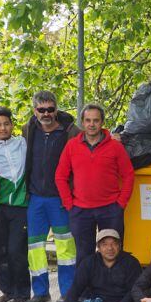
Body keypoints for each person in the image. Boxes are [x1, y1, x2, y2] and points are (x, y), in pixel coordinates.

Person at [55, 103, 134, 266]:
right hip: (80, 210)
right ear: (82, 122)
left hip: (110, 209)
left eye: (96, 120)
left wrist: (121, 203)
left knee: (113, 253)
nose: (92, 124)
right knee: (84, 256)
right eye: (88, 120)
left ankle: (115, 290)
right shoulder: (72, 146)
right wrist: (69, 204)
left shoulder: (115, 147)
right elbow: (60, 176)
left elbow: (128, 175)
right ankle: (86, 291)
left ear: (102, 122)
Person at [22, 90, 80, 302]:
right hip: (36, 199)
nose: (46, 113)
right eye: (41, 109)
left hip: (61, 199)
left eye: (50, 109)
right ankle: (40, 292)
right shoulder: (29, 130)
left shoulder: (71, 131)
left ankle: (67, 293)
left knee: (66, 249)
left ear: (56, 109)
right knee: (35, 248)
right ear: (34, 110)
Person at [0, 106, 31, 302]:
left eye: (6, 123)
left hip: (20, 206)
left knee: (16, 250)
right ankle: (7, 290)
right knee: (1, 250)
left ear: (12, 125)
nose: (2, 128)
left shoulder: (21, 143)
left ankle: (22, 292)